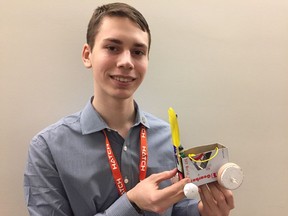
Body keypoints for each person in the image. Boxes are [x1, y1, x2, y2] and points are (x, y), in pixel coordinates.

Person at [24, 2, 234, 216]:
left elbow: (176, 209)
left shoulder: (167, 137)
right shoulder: (47, 148)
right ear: (87, 55)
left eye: (138, 51)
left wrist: (202, 212)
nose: (126, 62)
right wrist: (131, 203)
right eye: (112, 48)